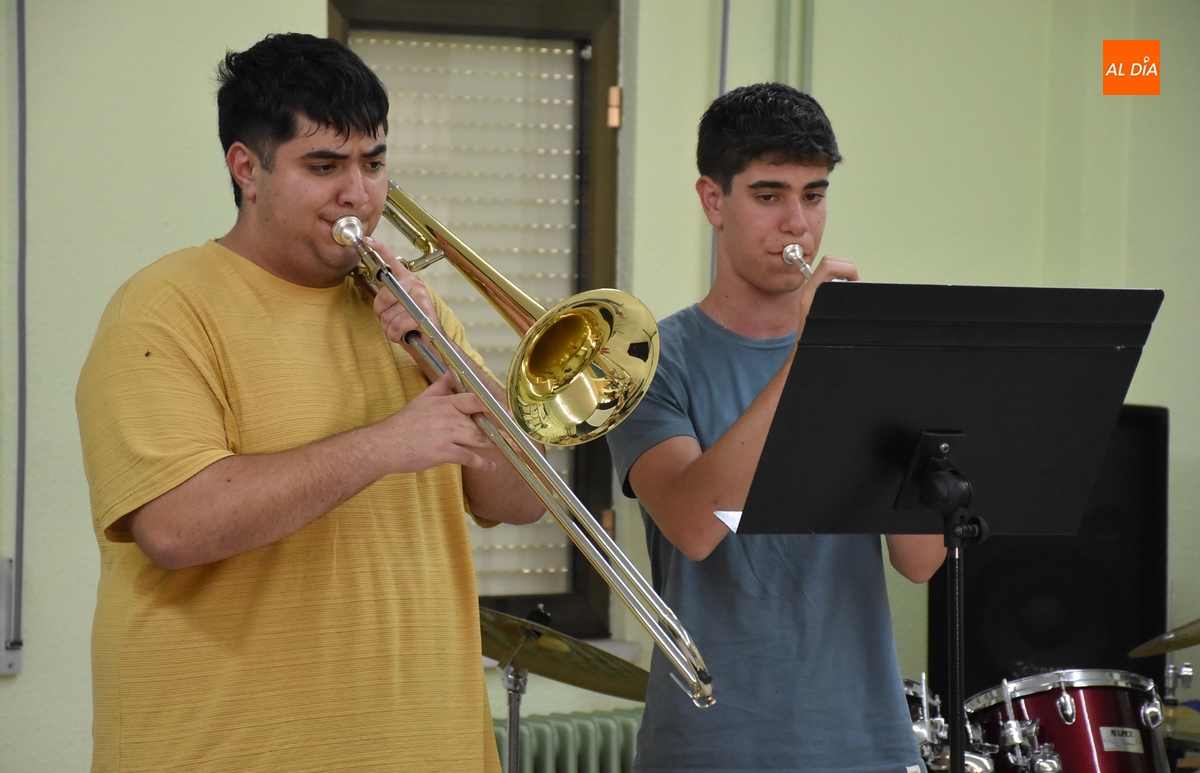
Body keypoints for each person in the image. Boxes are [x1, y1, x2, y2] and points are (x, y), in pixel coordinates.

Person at [75, 33, 544, 772]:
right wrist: (385, 444)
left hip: (429, 749)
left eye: (374, 163)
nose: (359, 193)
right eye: (324, 167)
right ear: (247, 169)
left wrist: (435, 356)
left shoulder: (408, 310)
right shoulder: (163, 308)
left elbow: (524, 499)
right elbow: (174, 525)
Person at [605, 82, 948, 773]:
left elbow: (921, 560)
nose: (798, 224)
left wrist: (881, 371)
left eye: (814, 195)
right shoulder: (646, 362)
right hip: (710, 746)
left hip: (864, 743)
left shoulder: (867, 357)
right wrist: (809, 359)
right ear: (713, 201)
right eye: (769, 196)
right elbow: (695, 526)